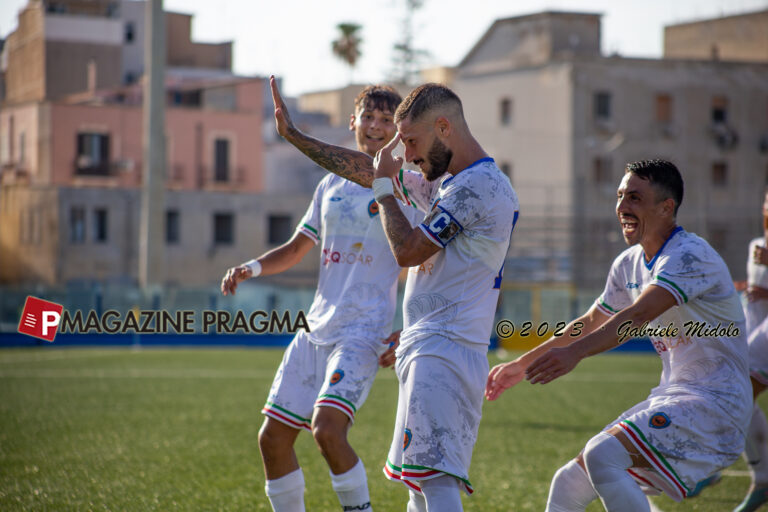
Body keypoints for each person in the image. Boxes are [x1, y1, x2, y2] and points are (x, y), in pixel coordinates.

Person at [270, 76, 518, 511]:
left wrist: (385, 193)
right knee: (418, 483)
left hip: (448, 347)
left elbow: (406, 250)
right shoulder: (448, 182)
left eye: (410, 140)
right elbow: (369, 170)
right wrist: (295, 137)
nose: (406, 153)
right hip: (428, 344)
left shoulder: (477, 188)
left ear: (443, 127)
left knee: (435, 483)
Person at [486, 159, 752, 512]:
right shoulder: (628, 263)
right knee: (568, 481)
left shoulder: (689, 256)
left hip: (715, 407)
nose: (622, 207)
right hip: (674, 399)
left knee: (603, 454)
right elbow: (591, 320)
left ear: (666, 207)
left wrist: (575, 354)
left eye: (635, 198)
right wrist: (524, 362)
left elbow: (638, 315)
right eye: (620, 196)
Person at [221, 83, 421, 512]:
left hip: (362, 332)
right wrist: (251, 267)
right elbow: (296, 248)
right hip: (314, 329)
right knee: (271, 438)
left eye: (387, 120)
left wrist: (408, 330)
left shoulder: (407, 186)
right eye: (368, 116)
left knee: (327, 429)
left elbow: (427, 264)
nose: (375, 126)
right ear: (353, 122)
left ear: (400, 132)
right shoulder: (329, 185)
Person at [732, 189, 768, 512]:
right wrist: (743, 288)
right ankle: (762, 477)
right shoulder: (757, 246)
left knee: (736, 390)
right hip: (759, 335)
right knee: (735, 391)